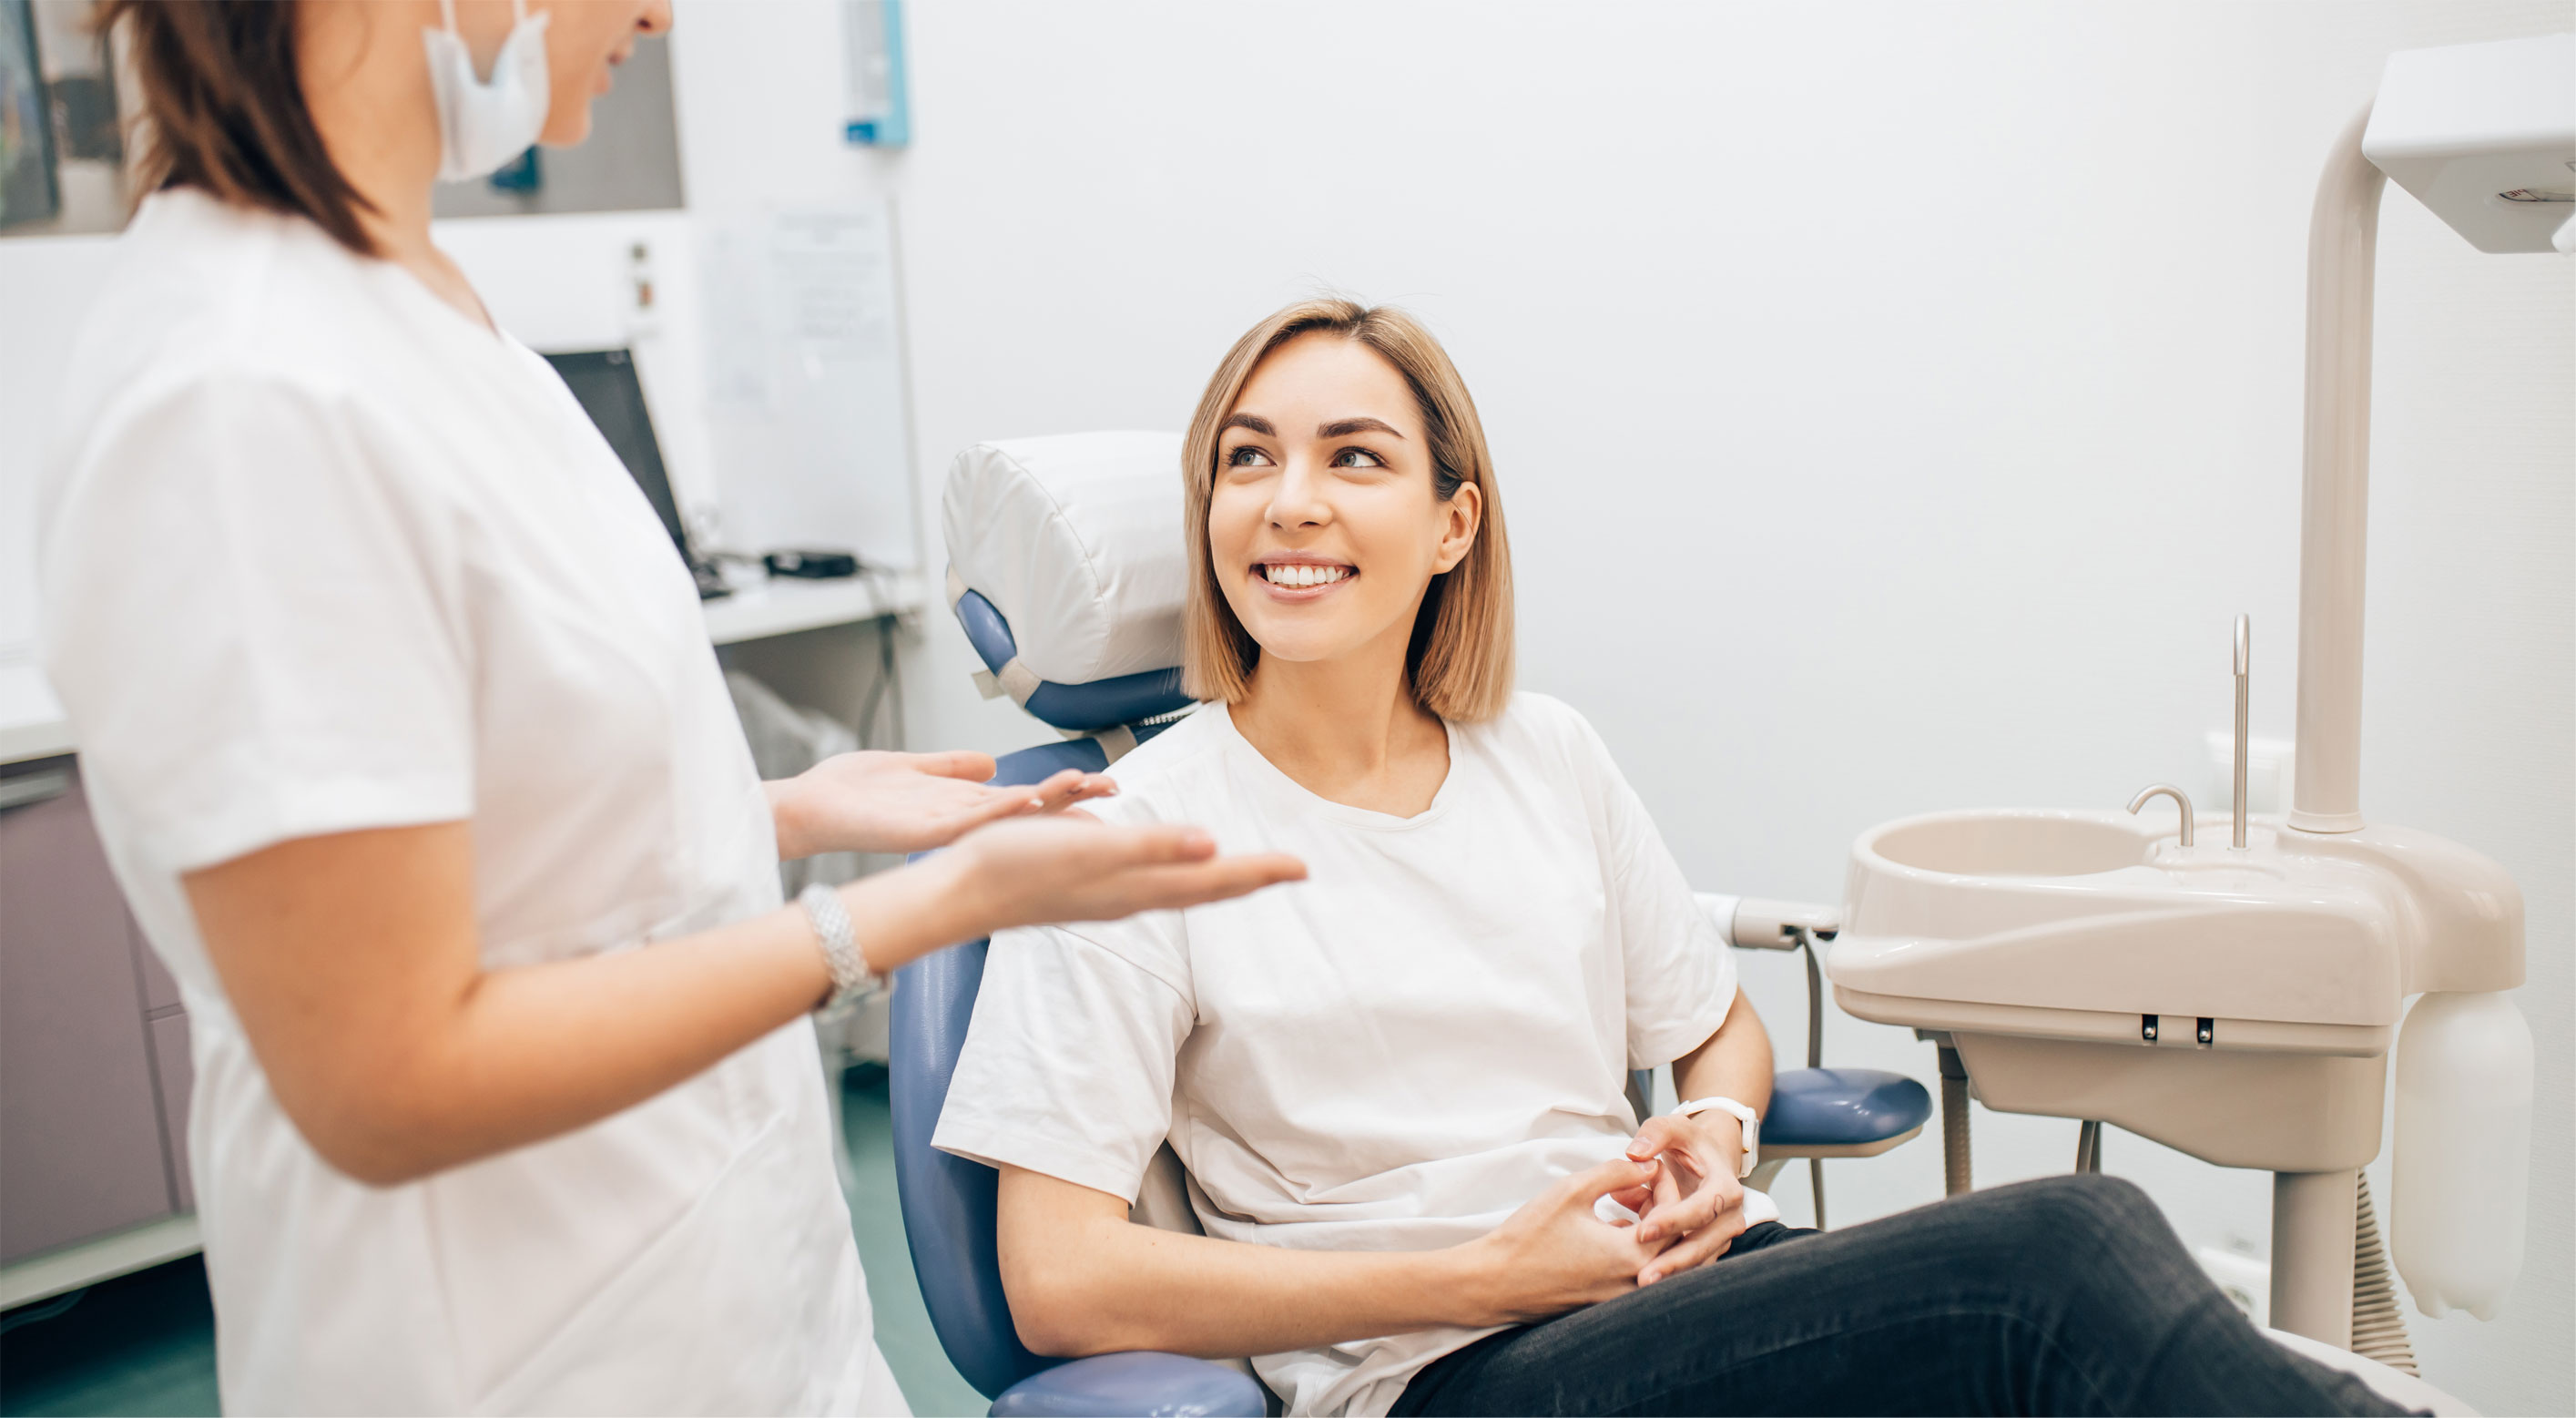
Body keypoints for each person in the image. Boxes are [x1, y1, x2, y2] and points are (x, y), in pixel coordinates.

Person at [36, 4, 1302, 1413]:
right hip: (510, 1355)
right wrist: (887, 915)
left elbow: (485, 825)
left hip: (743, 1308)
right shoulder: (244, 390)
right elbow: (382, 1075)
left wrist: (772, 809)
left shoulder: (422, 308)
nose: (658, 13)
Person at [931, 299, 2413, 1417]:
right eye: (1243, 460)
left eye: (1352, 457)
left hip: (1681, 1287)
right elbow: (1056, 1278)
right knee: (2064, 1263)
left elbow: (1712, 1026)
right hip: (1447, 1366)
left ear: (1453, 524)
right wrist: (1473, 1277)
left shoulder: (1543, 755)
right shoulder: (1122, 838)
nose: (1289, 500)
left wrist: (1710, 1137)